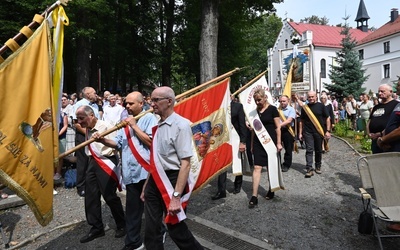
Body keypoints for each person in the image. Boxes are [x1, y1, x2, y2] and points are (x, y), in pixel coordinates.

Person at [94, 91, 157, 250]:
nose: (127, 106)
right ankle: (134, 242)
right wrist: (103, 140)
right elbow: (118, 143)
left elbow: (152, 142)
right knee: (132, 211)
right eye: (126, 103)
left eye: (131, 103)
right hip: (130, 173)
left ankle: (157, 236)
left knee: (152, 211)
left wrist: (134, 126)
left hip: (146, 172)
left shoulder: (149, 118)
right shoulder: (125, 121)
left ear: (141, 104)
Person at [144, 86, 203, 250]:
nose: (152, 103)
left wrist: (176, 196)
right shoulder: (158, 124)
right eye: (151, 99)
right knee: (151, 228)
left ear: (169, 101)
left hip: (173, 180)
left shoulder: (181, 125)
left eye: (156, 100)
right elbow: (155, 159)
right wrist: (146, 186)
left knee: (174, 227)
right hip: (154, 180)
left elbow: (185, 163)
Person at [75, 105, 126, 243]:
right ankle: (96, 227)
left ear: (91, 115)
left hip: (106, 160)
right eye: (77, 119)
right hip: (93, 161)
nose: (79, 122)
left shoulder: (106, 126)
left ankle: (122, 224)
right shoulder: (88, 127)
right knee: (90, 195)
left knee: (109, 196)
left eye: (82, 118)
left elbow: (116, 144)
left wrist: (102, 140)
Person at [249, 89, 282, 208]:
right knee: (257, 167)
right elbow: (254, 130)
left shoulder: (273, 109)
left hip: (270, 142)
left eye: (259, 100)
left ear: (265, 98)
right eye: (255, 100)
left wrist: (278, 143)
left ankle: (271, 188)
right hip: (258, 142)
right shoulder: (254, 113)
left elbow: (278, 127)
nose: (257, 102)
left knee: (270, 167)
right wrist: (252, 144)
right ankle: (254, 196)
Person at [211, 97, 247, 200]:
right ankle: (221, 190)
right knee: (222, 164)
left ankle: (238, 184)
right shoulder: (219, 106)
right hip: (223, 139)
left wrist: (243, 142)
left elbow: (242, 125)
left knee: (237, 162)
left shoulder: (238, 106)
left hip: (235, 137)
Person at [72, 87, 99, 197]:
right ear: (88, 94)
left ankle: (92, 184)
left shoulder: (95, 106)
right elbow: (76, 123)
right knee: (83, 161)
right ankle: (81, 186)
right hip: (84, 135)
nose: (96, 94)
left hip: (95, 135)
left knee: (93, 160)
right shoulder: (80, 104)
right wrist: (88, 134)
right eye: (94, 92)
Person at [298, 91, 331, 177]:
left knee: (318, 150)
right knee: (309, 150)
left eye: (312, 97)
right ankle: (309, 168)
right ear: (307, 98)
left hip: (319, 131)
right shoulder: (305, 108)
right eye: (309, 97)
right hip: (308, 131)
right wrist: (300, 133)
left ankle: (318, 166)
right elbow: (301, 121)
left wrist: (327, 130)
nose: (311, 98)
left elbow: (327, 118)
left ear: (316, 97)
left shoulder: (321, 106)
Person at [367, 84, 398, 154]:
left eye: (382, 91)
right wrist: (369, 133)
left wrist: (380, 134)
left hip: (387, 140)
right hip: (374, 139)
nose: (380, 93)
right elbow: (370, 121)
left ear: (390, 92)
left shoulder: (396, 105)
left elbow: (395, 123)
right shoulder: (377, 107)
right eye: (379, 91)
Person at [278, 95, 296, 172]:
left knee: (288, 148)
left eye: (284, 101)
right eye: (281, 101)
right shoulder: (278, 109)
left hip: (287, 130)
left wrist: (279, 125)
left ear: (288, 101)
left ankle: (286, 164)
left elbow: (289, 120)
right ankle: (277, 163)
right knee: (277, 147)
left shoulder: (291, 110)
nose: (282, 103)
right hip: (278, 130)